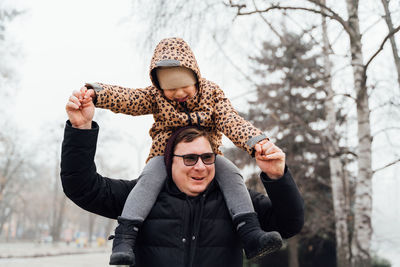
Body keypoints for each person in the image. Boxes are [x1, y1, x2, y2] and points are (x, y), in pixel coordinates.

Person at [76, 37, 282, 265]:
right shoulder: (155, 96)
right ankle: (125, 237)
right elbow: (129, 98)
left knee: (232, 175)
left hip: (207, 153)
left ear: (196, 77)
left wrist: (255, 142)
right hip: (164, 155)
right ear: (160, 87)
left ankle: (250, 233)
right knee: (148, 181)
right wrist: (98, 94)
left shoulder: (212, 94)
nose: (179, 94)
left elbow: (231, 121)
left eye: (185, 87)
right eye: (171, 89)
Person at [61, 98, 304, 267]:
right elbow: (82, 188)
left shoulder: (236, 201)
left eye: (207, 158)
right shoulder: (140, 198)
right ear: (169, 162)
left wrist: (277, 177)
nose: (200, 166)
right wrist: (80, 128)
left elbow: (289, 224)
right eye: (189, 158)